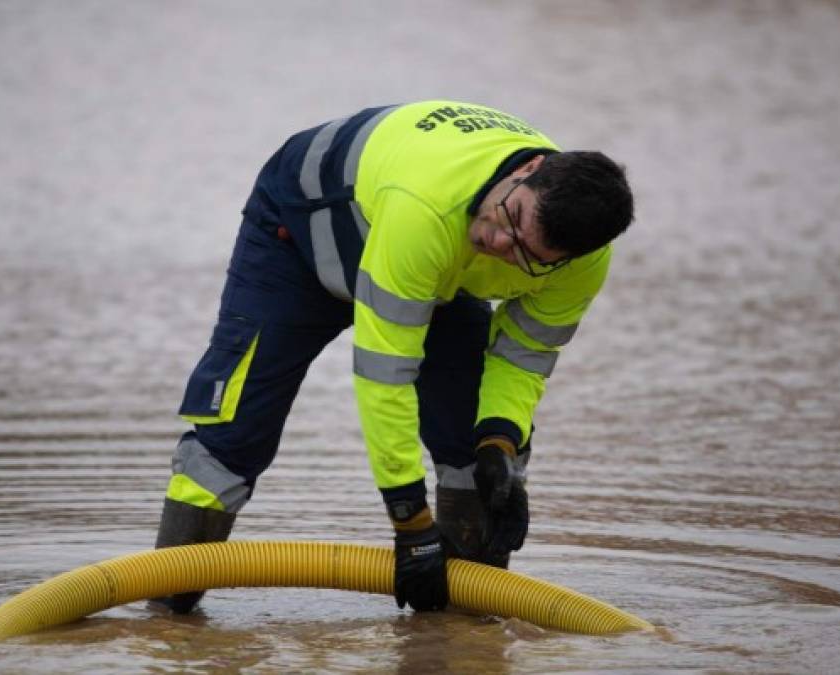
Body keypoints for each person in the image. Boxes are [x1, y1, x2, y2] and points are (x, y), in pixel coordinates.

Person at [152, 100, 634, 614]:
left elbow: (523, 356)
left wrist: (499, 441)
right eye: (510, 217)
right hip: (299, 236)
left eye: (527, 257)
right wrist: (410, 520)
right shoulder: (427, 205)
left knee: (477, 453)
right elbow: (386, 374)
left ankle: (462, 629)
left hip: (439, 269)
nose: (498, 242)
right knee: (236, 432)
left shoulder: (582, 261)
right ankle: (168, 611)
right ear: (528, 169)